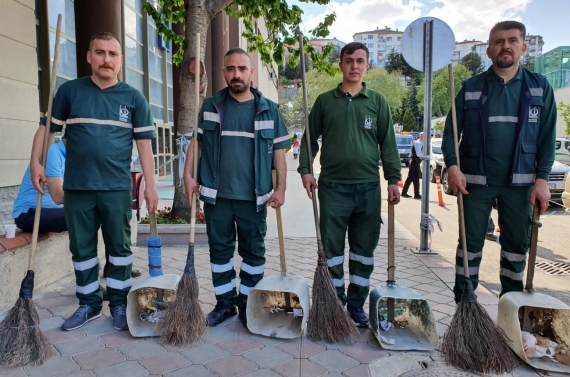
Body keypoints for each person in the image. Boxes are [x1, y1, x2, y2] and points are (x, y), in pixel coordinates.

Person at [30, 32, 158, 331]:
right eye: (100, 53)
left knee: (119, 249)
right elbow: (46, 130)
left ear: (121, 61)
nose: (106, 59)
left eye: (113, 54)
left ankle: (117, 302)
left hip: (116, 189)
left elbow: (144, 148)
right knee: (82, 250)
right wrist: (36, 163)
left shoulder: (133, 98)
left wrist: (151, 186)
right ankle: (88, 303)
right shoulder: (70, 92)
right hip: (78, 188)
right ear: (89, 56)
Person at [442, 21, 556, 303]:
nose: (506, 46)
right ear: (489, 51)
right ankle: (465, 308)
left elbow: (546, 137)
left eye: (513, 40)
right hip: (476, 183)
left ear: (523, 47)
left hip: (521, 184)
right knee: (469, 247)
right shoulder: (471, 87)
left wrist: (542, 180)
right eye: (499, 41)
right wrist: (453, 167)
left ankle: (511, 309)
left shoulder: (539, 88)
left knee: (516, 248)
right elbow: (450, 132)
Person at [184, 48, 291, 328]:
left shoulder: (269, 108)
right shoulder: (210, 106)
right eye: (231, 69)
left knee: (253, 254)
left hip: (253, 198)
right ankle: (225, 304)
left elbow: (279, 151)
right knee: (219, 254)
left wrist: (280, 189)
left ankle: (246, 303)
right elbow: (197, 143)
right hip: (216, 196)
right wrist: (187, 175)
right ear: (223, 73)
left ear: (251, 73)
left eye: (242, 69)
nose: (236, 74)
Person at [298, 42, 401, 327]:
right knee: (331, 250)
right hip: (332, 187)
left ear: (367, 65)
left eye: (360, 61)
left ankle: (356, 305)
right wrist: (306, 170)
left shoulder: (377, 101)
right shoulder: (324, 101)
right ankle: (334, 302)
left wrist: (393, 179)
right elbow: (309, 140)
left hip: (368, 188)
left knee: (363, 250)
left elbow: (388, 143)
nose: (354, 65)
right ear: (340, 65)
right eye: (349, 60)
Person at [13, 137, 66, 233]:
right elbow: (58, 197)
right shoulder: (53, 152)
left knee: (88, 213)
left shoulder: (72, 158)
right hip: (30, 213)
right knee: (82, 214)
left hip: (53, 211)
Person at [401, 132, 426, 199]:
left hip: (415, 162)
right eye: (424, 136)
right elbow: (419, 154)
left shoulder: (421, 143)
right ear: (421, 136)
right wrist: (426, 157)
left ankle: (404, 192)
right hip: (414, 163)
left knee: (410, 178)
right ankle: (417, 194)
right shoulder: (418, 143)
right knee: (416, 178)